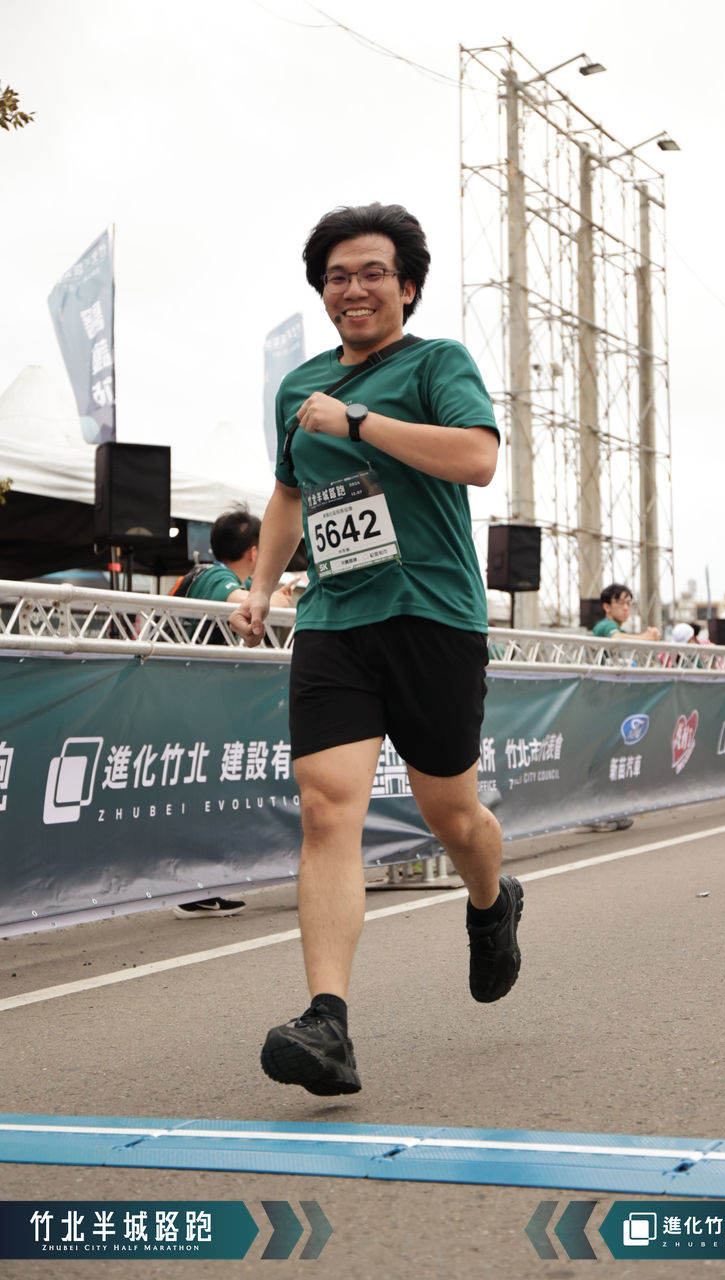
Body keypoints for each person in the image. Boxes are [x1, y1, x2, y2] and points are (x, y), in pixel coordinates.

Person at [229, 202, 523, 1095]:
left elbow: (476, 458)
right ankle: (327, 1024)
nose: (352, 289)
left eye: (370, 273)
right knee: (327, 809)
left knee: (451, 815)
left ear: (407, 287)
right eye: (336, 277)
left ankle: (491, 901)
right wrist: (260, 586)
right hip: (335, 620)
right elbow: (288, 495)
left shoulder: (436, 364)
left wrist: (356, 422)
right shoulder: (299, 388)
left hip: (432, 616)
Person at [172, 505, 293, 921]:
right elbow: (245, 601)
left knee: (206, 794)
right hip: (190, 707)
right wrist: (281, 594)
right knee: (196, 795)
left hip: (198, 706)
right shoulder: (214, 578)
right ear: (256, 552)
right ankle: (190, 889)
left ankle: (204, 886)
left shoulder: (212, 576)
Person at [592, 583, 661, 643]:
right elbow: (616, 638)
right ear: (607, 607)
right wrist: (646, 637)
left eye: (628, 603)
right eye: (620, 603)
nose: (626, 608)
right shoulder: (606, 625)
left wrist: (651, 635)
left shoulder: (621, 631)